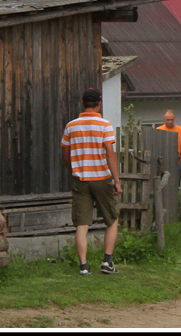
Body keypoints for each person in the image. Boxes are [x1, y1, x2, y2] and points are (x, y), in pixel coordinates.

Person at [61, 88, 123, 275]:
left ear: (82, 103)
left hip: (81, 179)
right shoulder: (105, 125)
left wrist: (73, 170)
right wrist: (117, 181)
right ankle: (107, 262)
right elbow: (110, 153)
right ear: (99, 103)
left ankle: (83, 266)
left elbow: (65, 153)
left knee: (82, 223)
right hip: (102, 178)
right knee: (112, 219)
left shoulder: (71, 126)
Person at [156, 110, 181, 186]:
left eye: (172, 119)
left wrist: (179, 162)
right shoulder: (159, 130)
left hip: (175, 160)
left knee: (175, 184)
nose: (170, 122)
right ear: (164, 120)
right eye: (168, 120)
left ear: (174, 119)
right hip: (162, 161)